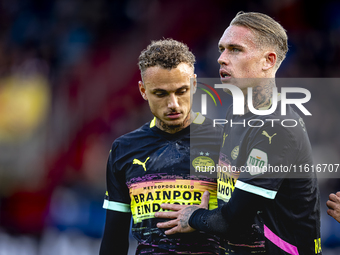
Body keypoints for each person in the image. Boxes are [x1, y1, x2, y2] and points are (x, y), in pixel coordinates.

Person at [156, 12, 322, 255]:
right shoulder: (237, 112)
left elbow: (233, 221)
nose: (221, 58)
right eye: (221, 49)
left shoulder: (277, 127)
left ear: (268, 61)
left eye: (235, 49)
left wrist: (193, 217)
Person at [99, 39, 223, 255]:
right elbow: (114, 239)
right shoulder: (124, 149)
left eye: (181, 91)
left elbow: (245, 223)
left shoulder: (224, 141)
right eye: (161, 93)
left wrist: (202, 219)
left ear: (194, 84)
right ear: (143, 90)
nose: (173, 103)